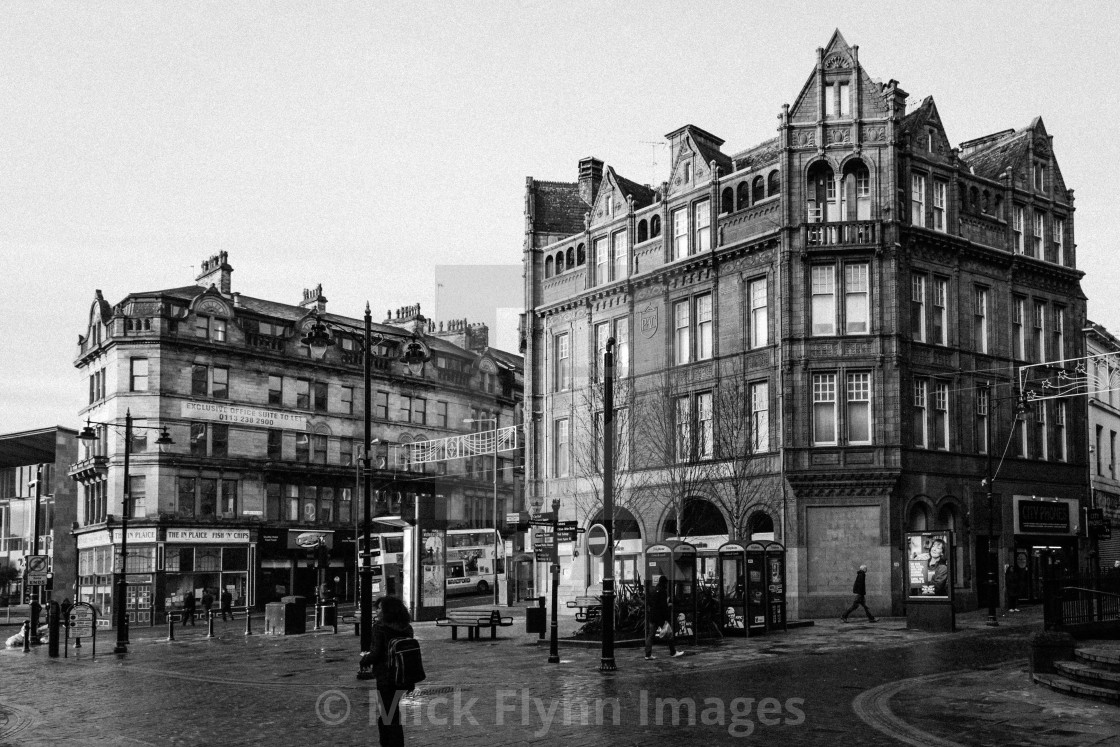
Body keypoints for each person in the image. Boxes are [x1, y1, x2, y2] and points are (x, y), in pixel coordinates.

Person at [363, 595, 413, 747]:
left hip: (385, 677)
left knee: (388, 716)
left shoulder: (380, 627)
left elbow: (376, 653)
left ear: (387, 611)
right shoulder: (406, 627)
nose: (376, 611)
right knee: (391, 712)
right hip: (403, 676)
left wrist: (365, 659)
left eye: (379, 608)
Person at [644, 576, 684, 660]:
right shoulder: (662, 591)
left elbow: (651, 603)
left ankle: (647, 654)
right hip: (660, 618)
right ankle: (673, 652)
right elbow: (663, 606)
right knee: (669, 633)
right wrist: (668, 608)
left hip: (653, 616)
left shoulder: (654, 590)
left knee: (650, 635)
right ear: (665, 583)